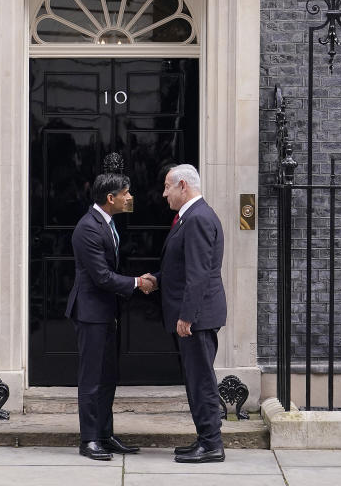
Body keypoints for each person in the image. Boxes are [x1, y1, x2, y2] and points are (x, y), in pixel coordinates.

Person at [66, 172, 155, 461]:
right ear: (111, 198)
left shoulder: (108, 223)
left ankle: (104, 435)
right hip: (91, 313)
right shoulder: (88, 228)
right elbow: (101, 277)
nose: (130, 198)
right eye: (126, 193)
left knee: (107, 377)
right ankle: (89, 439)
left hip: (105, 312)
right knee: (92, 378)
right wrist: (137, 283)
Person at [147, 164, 227, 463]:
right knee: (196, 379)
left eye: (168, 186)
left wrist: (187, 316)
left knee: (201, 380)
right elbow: (181, 268)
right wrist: (157, 279)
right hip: (197, 313)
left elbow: (198, 274)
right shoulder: (191, 217)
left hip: (198, 317)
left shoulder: (197, 219)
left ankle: (211, 444)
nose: (164, 193)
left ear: (183, 185)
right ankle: (205, 439)